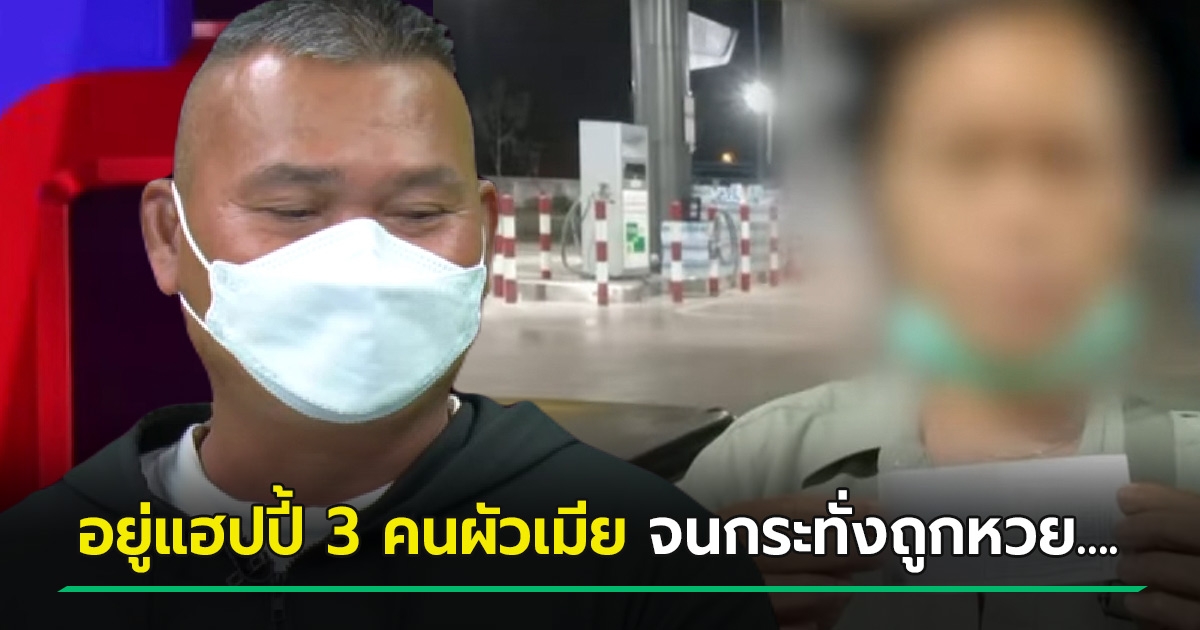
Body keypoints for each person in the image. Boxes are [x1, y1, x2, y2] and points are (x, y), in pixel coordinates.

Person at [0, 2, 777, 628]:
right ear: (169, 238)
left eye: (418, 212)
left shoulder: (646, 575)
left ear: (486, 235)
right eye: (293, 209)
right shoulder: (39, 570)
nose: (360, 262)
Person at [679, 1, 1200, 629]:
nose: (1018, 212)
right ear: (880, 195)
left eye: (1067, 157)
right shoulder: (753, 467)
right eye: (965, 156)